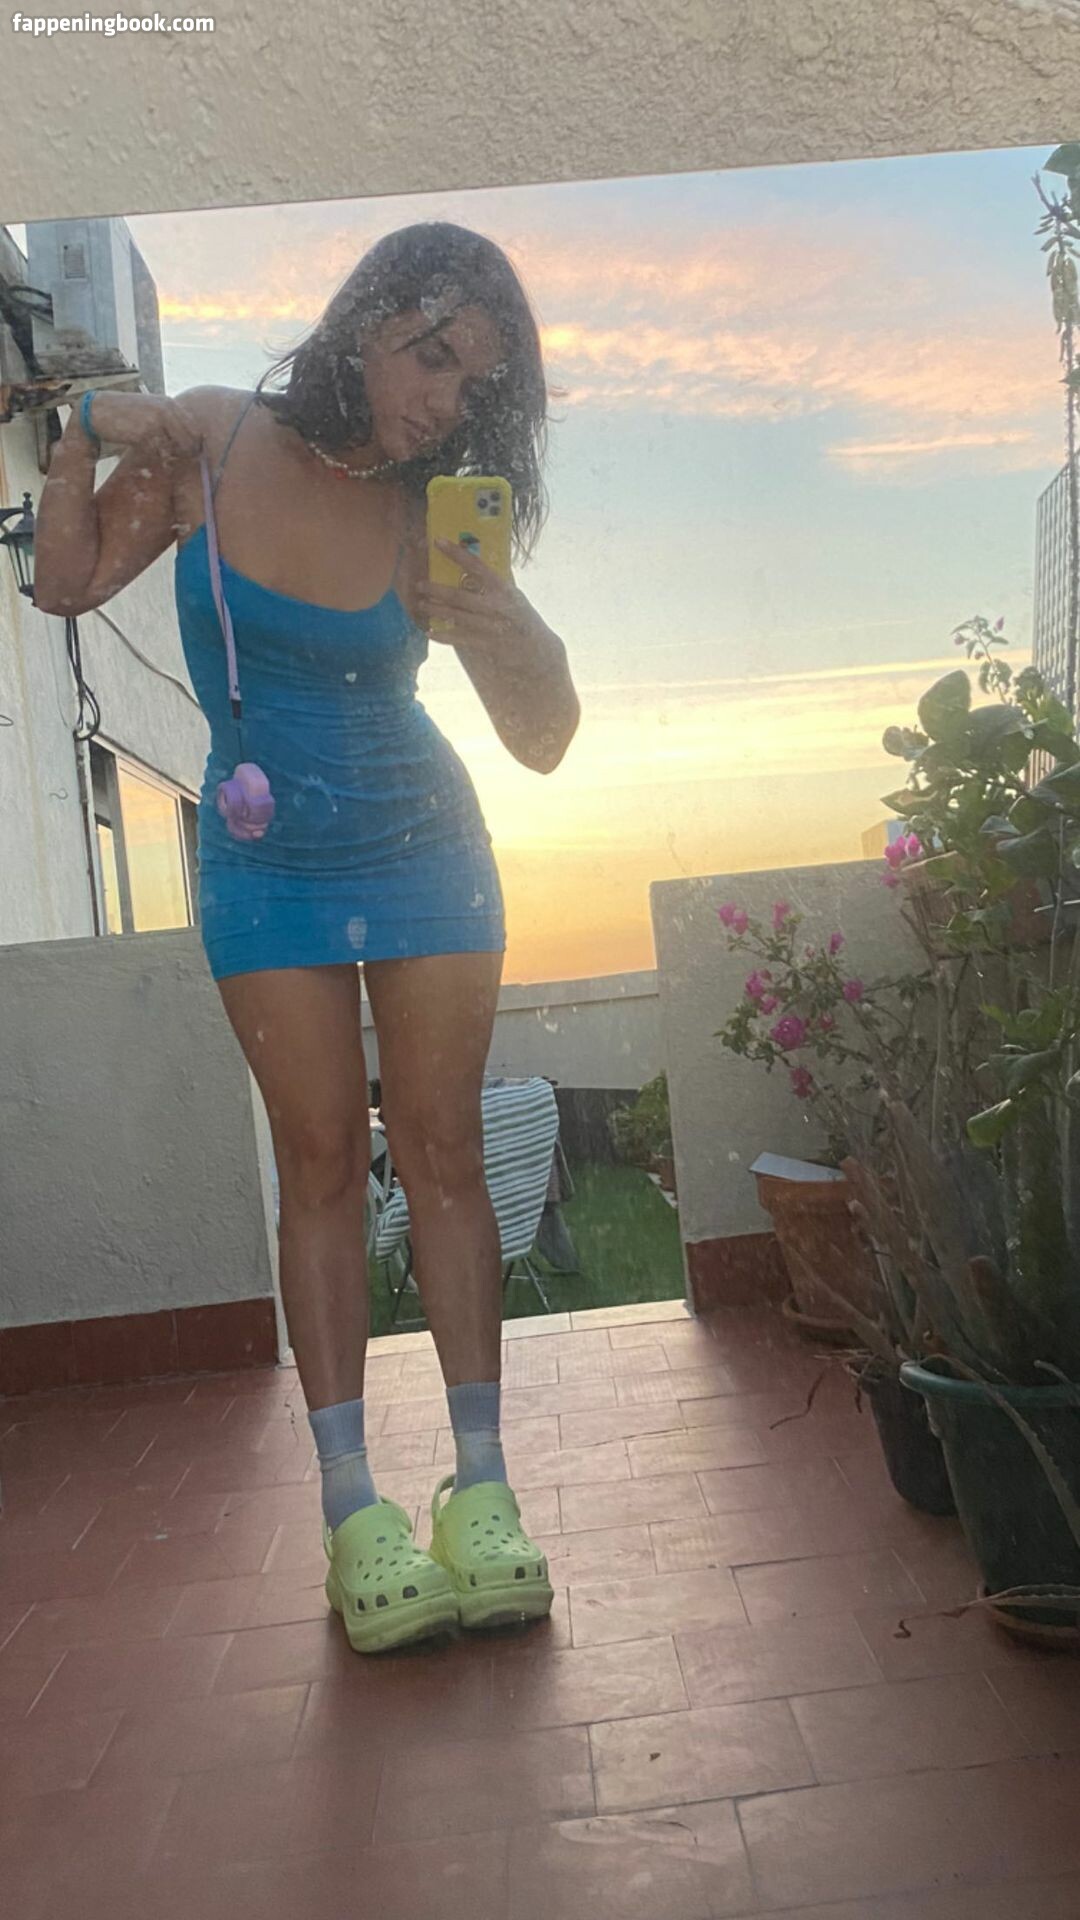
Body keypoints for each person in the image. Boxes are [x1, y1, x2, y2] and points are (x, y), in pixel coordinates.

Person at [34, 221, 580, 1654]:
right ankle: (353, 1511)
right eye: (431, 355)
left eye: (475, 382)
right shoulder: (216, 440)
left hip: (427, 850)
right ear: (363, 323)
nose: (445, 399)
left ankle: (483, 1490)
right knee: (323, 1160)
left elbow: (544, 741)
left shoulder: (431, 513)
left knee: (446, 1151)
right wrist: (79, 432)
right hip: (264, 858)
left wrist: (508, 627)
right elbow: (66, 581)